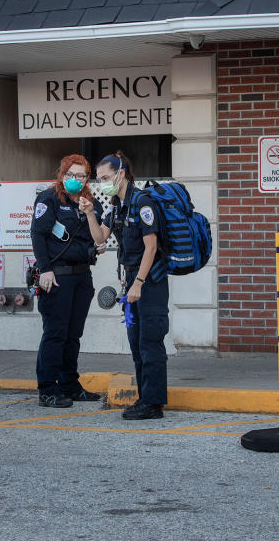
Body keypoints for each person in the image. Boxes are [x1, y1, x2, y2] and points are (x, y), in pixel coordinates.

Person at [81, 151, 168, 420]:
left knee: (150, 342)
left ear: (121, 173)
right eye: (100, 178)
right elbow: (100, 238)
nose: (103, 182)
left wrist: (139, 284)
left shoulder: (143, 203)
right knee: (135, 342)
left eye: (106, 177)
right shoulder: (116, 206)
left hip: (149, 282)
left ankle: (153, 404)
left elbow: (151, 247)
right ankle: (145, 398)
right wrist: (89, 214)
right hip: (131, 281)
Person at [30, 155, 104, 408]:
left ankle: (70, 384)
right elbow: (38, 235)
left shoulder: (89, 203)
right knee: (55, 334)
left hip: (82, 276)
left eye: (81, 175)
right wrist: (45, 270)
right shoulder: (49, 199)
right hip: (57, 277)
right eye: (70, 175)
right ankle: (48, 389)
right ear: (62, 175)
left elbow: (96, 236)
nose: (75, 179)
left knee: (73, 335)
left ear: (87, 178)